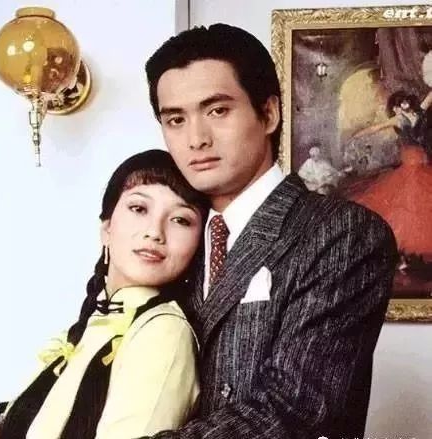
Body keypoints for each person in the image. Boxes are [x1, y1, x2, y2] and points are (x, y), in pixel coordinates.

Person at [143, 23, 398, 438]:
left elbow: (293, 409)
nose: (196, 138)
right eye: (175, 119)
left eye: (217, 111)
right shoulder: (172, 235)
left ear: (269, 113)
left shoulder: (343, 232)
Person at [0, 150, 209, 439]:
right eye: (139, 208)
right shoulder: (92, 323)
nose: (155, 232)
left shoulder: (163, 331)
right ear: (107, 228)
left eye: (181, 220)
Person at [349, 89, 432, 257]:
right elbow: (375, 128)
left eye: (403, 103)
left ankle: (410, 253)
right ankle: (403, 249)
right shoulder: (398, 119)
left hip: (423, 161)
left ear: (408, 103)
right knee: (410, 202)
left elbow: (429, 98)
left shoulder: (419, 113)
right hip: (410, 162)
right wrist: (356, 135)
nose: (400, 107)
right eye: (398, 105)